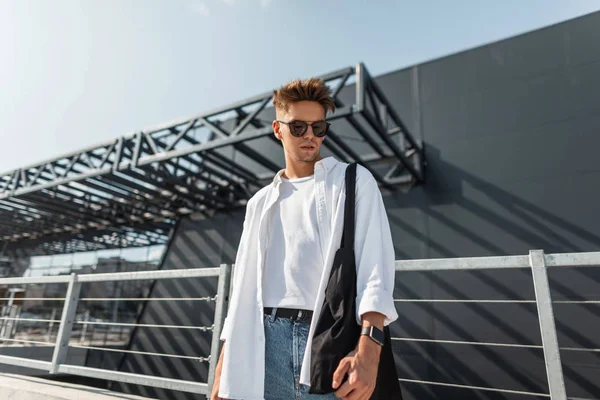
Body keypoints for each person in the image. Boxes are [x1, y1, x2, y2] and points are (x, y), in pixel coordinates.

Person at [210, 77, 398, 400]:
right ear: (278, 129)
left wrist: (369, 350)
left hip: (330, 346)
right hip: (264, 347)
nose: (310, 136)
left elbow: (375, 273)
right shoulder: (259, 204)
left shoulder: (353, 183)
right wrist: (223, 368)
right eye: (298, 127)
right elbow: (241, 291)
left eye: (318, 128)